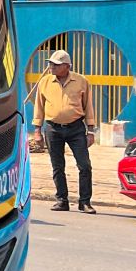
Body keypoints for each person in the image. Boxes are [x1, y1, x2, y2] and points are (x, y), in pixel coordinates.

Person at [31, 49, 98, 213]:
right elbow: (39, 107)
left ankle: (85, 202)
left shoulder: (81, 81)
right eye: (51, 63)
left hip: (76, 128)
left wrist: (90, 131)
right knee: (57, 166)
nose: (51, 66)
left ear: (67, 66)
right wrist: (37, 131)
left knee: (84, 166)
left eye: (56, 64)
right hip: (53, 129)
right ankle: (62, 200)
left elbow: (88, 106)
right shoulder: (45, 82)